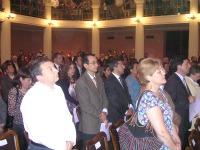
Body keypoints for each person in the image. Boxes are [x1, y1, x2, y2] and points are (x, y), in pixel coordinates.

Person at [123, 58, 180, 150]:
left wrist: (177, 139)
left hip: (166, 142)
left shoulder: (160, 93)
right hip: (155, 145)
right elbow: (162, 133)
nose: (164, 72)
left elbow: (169, 120)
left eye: (162, 69)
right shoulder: (149, 98)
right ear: (148, 77)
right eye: (159, 72)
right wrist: (175, 147)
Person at [20, 57, 76, 150]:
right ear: (39, 77)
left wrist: (70, 140)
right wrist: (63, 146)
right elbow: (38, 132)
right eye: (51, 69)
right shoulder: (32, 97)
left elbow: (66, 117)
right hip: (44, 147)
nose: (56, 70)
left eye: (54, 67)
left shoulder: (58, 89)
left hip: (65, 144)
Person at [75, 54, 108, 149]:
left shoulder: (98, 77)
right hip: (90, 124)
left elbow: (104, 97)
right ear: (85, 66)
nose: (97, 65)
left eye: (96, 62)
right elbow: (86, 106)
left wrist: (105, 111)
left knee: (101, 147)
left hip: (102, 121)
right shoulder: (81, 82)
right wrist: (101, 115)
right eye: (93, 63)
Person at [164, 56, 192, 149]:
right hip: (178, 122)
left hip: (183, 120)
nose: (189, 65)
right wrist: (188, 101)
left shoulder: (182, 79)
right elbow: (169, 103)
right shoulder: (173, 80)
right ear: (179, 66)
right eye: (186, 64)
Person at [8, 66, 32, 150]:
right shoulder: (14, 91)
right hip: (19, 125)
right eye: (28, 80)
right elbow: (11, 111)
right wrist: (25, 111)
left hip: (31, 125)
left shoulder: (31, 90)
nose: (30, 82)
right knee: (21, 147)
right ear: (21, 79)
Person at [104, 57, 133, 124]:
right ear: (115, 66)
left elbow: (127, 95)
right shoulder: (109, 81)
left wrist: (131, 106)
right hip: (116, 117)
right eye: (122, 64)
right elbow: (114, 101)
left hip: (125, 115)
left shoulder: (122, 79)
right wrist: (125, 111)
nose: (124, 66)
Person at [185, 64, 200, 130]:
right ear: (193, 74)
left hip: (197, 114)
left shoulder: (193, 82)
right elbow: (193, 99)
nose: (199, 77)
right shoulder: (188, 83)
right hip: (194, 115)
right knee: (193, 135)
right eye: (198, 76)